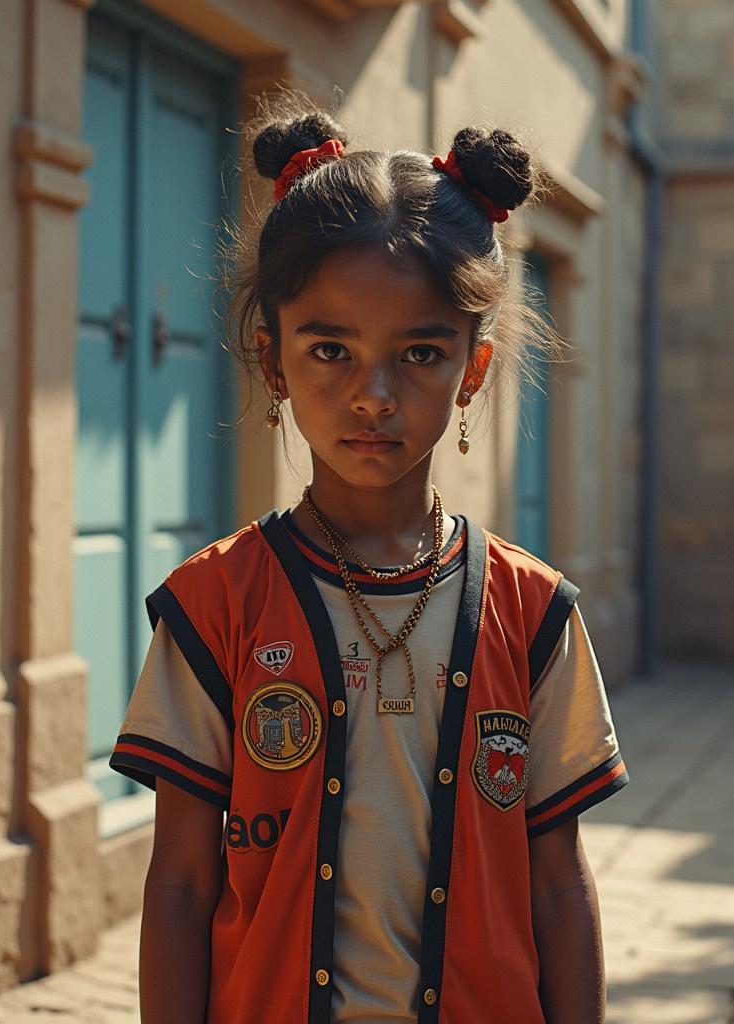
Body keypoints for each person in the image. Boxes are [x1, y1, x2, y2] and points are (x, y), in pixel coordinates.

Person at [110, 100, 629, 1024]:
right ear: (272, 360)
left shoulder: (534, 611)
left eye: (421, 352)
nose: (373, 394)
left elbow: (558, 886)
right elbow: (182, 886)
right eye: (329, 349)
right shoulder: (214, 606)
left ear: (472, 369)